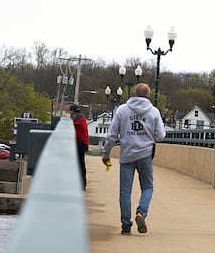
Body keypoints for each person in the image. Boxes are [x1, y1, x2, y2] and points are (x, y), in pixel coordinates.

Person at [102, 83, 166, 235]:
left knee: (125, 191)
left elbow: (111, 135)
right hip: (145, 155)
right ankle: (141, 213)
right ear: (148, 95)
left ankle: (126, 225)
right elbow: (161, 136)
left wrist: (106, 154)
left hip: (127, 155)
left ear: (134, 93)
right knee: (148, 187)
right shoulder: (154, 111)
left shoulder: (122, 110)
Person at [69, 103, 90, 190]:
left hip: (80, 143)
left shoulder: (77, 117)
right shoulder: (81, 116)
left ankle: (82, 184)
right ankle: (82, 184)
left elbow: (70, 123)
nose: (70, 113)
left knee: (79, 164)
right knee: (80, 163)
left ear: (73, 111)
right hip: (82, 143)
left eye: (70, 111)